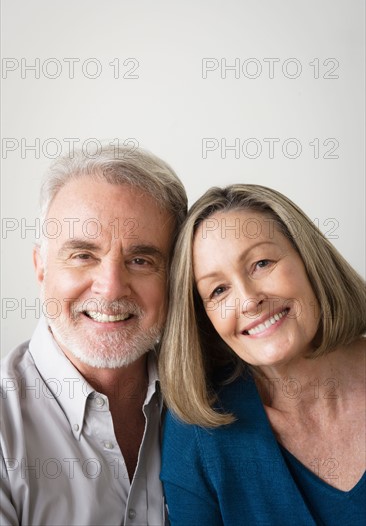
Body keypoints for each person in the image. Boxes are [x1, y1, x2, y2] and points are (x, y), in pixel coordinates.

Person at [0, 144, 187, 525]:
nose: (112, 288)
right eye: (83, 255)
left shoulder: (212, 402)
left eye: (140, 260)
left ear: (174, 277)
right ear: (41, 268)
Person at [159, 184, 366, 526]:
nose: (249, 300)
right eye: (219, 290)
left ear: (308, 260)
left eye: (261, 263)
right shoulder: (198, 438)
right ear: (205, 319)